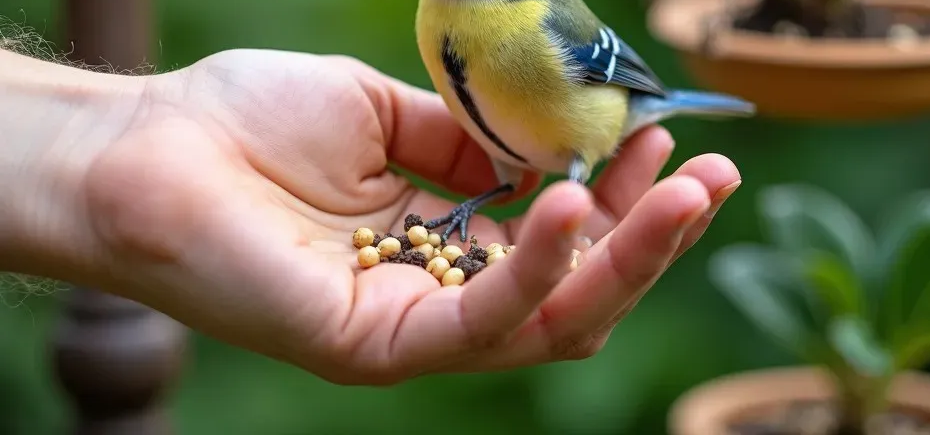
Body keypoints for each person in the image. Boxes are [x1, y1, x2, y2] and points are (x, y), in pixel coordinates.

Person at [0, 43, 741, 384]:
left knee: (569, 194)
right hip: (509, 171)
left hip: (602, 120)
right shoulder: (445, 17)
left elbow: (612, 72)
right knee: (508, 188)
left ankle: (562, 208)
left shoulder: (541, 23)